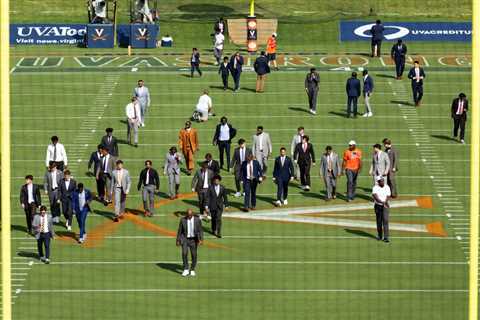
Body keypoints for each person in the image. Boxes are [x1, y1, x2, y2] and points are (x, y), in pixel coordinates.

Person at [176, 208, 203, 277]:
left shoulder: (197, 220)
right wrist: (178, 240)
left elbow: (200, 230)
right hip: (185, 239)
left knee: (194, 255)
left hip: (194, 240)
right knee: (184, 253)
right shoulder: (183, 220)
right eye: (188, 215)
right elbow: (180, 231)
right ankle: (186, 268)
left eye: (190, 215)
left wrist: (201, 239)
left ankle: (192, 269)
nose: (189, 216)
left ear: (193, 214)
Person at [372, 177, 391, 243]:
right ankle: (380, 236)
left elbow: (388, 196)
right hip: (378, 206)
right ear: (378, 182)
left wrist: (385, 202)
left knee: (385, 221)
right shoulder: (375, 187)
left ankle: (386, 237)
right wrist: (382, 202)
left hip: (385, 206)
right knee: (379, 222)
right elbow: (375, 196)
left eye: (383, 180)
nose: (383, 182)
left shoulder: (387, 187)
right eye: (381, 181)